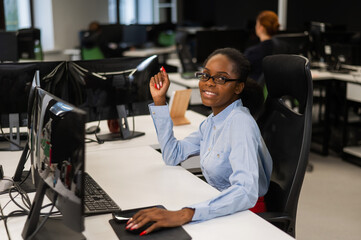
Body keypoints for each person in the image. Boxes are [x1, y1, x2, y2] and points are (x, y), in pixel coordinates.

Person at [125, 48, 272, 236]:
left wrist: (187, 213)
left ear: (238, 87)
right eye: (205, 75)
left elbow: (245, 192)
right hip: (220, 206)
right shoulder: (212, 122)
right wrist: (160, 100)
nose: (209, 83)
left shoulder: (240, 123)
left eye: (221, 78)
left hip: (245, 217)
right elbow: (172, 155)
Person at [244, 10, 280, 82]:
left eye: (256, 24)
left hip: (255, 89)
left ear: (261, 27)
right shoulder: (283, 47)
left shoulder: (252, 52)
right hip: (276, 88)